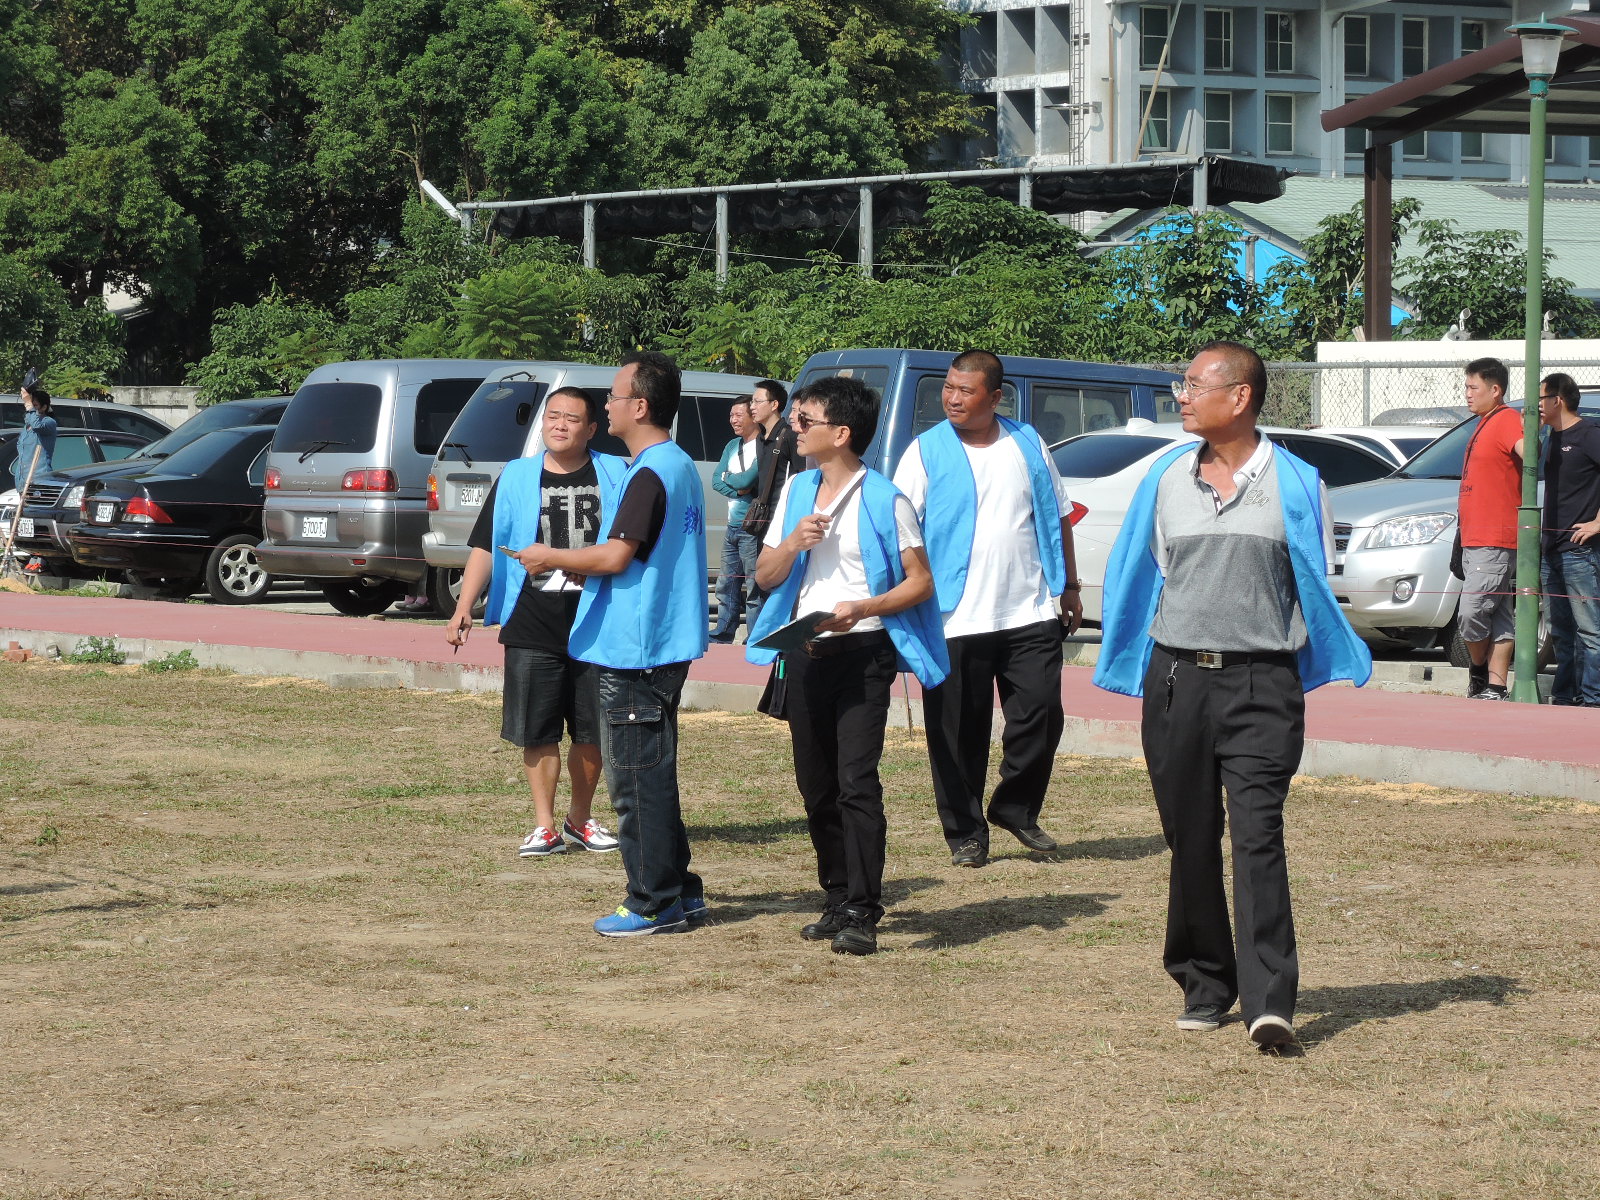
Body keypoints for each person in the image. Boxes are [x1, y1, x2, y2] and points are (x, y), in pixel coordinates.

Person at [1094, 341, 1371, 1053]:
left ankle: (1270, 1002)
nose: (1180, 397)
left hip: (1262, 685)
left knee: (1257, 838)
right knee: (1189, 837)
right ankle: (1205, 981)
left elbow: (1311, 578)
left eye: (1193, 385)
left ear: (1240, 396)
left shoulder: (1300, 482)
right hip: (1178, 681)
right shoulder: (1164, 481)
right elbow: (1148, 575)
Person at [747, 376, 949, 956]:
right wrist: (791, 545)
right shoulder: (795, 490)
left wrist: (862, 607)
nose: (793, 427)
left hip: (864, 650)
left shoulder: (886, 499)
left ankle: (863, 908)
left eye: (804, 420)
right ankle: (836, 898)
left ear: (841, 432)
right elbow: (764, 577)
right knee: (816, 784)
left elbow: (921, 583)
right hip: (804, 649)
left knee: (856, 780)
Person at [514, 352, 709, 937]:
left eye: (616, 397)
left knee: (636, 780)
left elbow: (616, 555)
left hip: (639, 646)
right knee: (655, 772)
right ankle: (682, 890)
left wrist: (549, 557)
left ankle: (652, 900)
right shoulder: (674, 465)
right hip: (661, 641)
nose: (608, 406)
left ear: (641, 406)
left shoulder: (650, 472)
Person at [893, 350, 1082, 869]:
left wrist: (1068, 584)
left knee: (1041, 715)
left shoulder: (1027, 442)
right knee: (957, 733)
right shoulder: (924, 451)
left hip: (1030, 609)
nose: (952, 398)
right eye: (948, 388)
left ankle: (1015, 807)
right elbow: (901, 530)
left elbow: (1060, 516)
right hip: (954, 618)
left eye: (965, 390)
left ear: (995, 397)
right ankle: (966, 833)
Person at [445, 386, 626, 859]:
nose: (559, 425)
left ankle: (580, 819)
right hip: (531, 620)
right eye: (553, 416)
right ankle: (544, 826)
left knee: (593, 729)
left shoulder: (617, 472)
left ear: (591, 428)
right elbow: (486, 544)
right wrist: (466, 604)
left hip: (597, 618)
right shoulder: (517, 476)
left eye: (571, 418)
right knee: (536, 727)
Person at [1456, 357, 1522, 701]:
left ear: (1495, 390)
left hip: (1494, 538)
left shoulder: (1508, 419)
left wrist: (1535, 434)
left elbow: (1528, 452)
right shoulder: (1484, 422)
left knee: (1472, 612)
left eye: (1473, 387)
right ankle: (1496, 687)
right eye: (1466, 386)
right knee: (1497, 615)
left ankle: (1479, 671)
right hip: (1473, 537)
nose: (1467, 394)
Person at [1538, 372, 1600, 707]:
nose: (1537, 407)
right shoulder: (1548, 437)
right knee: (1561, 632)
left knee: (1589, 631)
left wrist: (1597, 522)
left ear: (1557, 400)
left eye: (1541, 400)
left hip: (1579, 551)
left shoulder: (1588, 434)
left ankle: (1593, 699)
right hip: (1551, 549)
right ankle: (1565, 696)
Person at [742, 379, 803, 633]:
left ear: (775, 404)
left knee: (781, 579)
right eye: (751, 401)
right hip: (763, 520)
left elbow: (800, 478)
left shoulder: (787, 435)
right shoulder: (761, 438)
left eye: (757, 401)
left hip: (783, 521)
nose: (752, 407)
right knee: (762, 579)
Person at [710, 396, 761, 643]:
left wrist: (736, 482)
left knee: (754, 585)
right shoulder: (732, 445)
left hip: (752, 525)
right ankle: (723, 631)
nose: (733, 420)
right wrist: (738, 489)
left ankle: (755, 636)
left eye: (739, 415)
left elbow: (746, 481)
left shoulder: (764, 445)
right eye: (731, 415)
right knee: (726, 582)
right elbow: (715, 481)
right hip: (732, 524)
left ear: (754, 416)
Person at [16, 371, 57, 482]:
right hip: (23, 479)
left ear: (44, 407)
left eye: (35, 406)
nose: (31, 409)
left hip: (39, 478)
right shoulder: (27, 427)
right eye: (31, 405)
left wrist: (29, 404)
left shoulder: (49, 422)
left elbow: (37, 426)